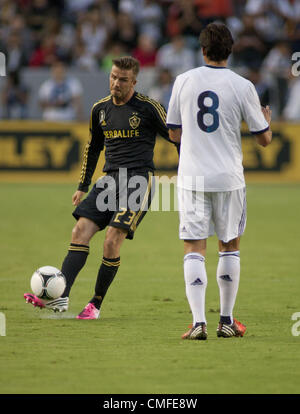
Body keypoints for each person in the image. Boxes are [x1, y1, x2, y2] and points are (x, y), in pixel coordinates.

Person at [24, 56, 178, 319]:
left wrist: (191, 170)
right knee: (79, 231)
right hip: (108, 181)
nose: (116, 83)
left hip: (138, 181)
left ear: (134, 82)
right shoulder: (100, 109)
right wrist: (83, 185)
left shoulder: (149, 108)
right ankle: (60, 297)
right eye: (113, 77)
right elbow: (93, 147)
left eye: (123, 80)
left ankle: (95, 304)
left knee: (111, 241)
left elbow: (177, 138)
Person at [166, 23, 272, 340]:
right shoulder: (242, 85)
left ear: (202, 50)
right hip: (228, 179)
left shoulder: (183, 81)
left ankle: (199, 323)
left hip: (192, 177)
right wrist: (267, 122)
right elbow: (264, 140)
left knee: (194, 247)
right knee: (229, 246)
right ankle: (225, 320)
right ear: (231, 50)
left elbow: (173, 131)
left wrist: (192, 147)